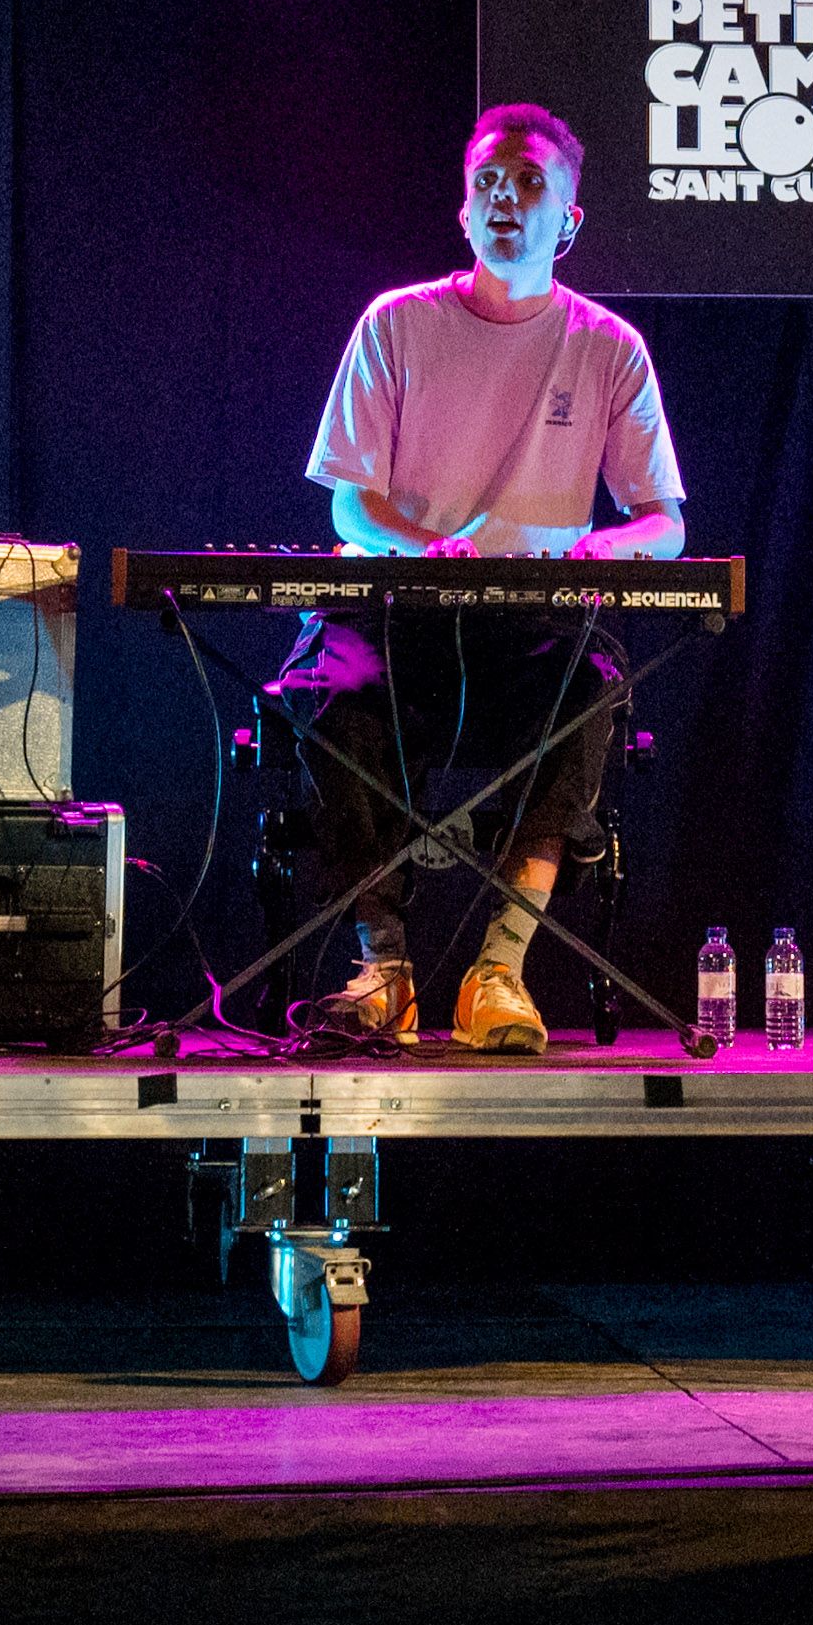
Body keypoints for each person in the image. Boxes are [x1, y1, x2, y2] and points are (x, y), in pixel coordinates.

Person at [286, 102, 687, 1052]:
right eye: (487, 185)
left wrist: (603, 550)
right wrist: (424, 551)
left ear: (570, 219)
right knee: (330, 694)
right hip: (397, 610)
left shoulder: (609, 347)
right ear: (465, 213)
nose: (506, 200)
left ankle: (499, 970)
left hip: (529, 625)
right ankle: (383, 967)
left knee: (589, 693)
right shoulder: (397, 323)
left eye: (530, 185)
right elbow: (350, 506)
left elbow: (664, 525)